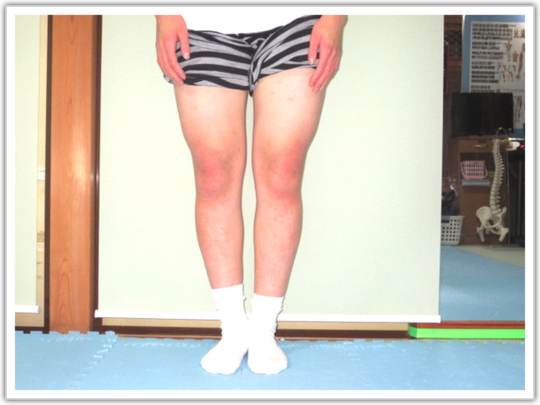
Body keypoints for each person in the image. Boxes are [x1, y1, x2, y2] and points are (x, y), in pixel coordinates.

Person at [155, 12, 347, 375]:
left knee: (283, 171)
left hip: (298, 21)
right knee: (213, 173)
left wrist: (335, 18)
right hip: (200, 24)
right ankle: (233, 329)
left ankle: (262, 329)